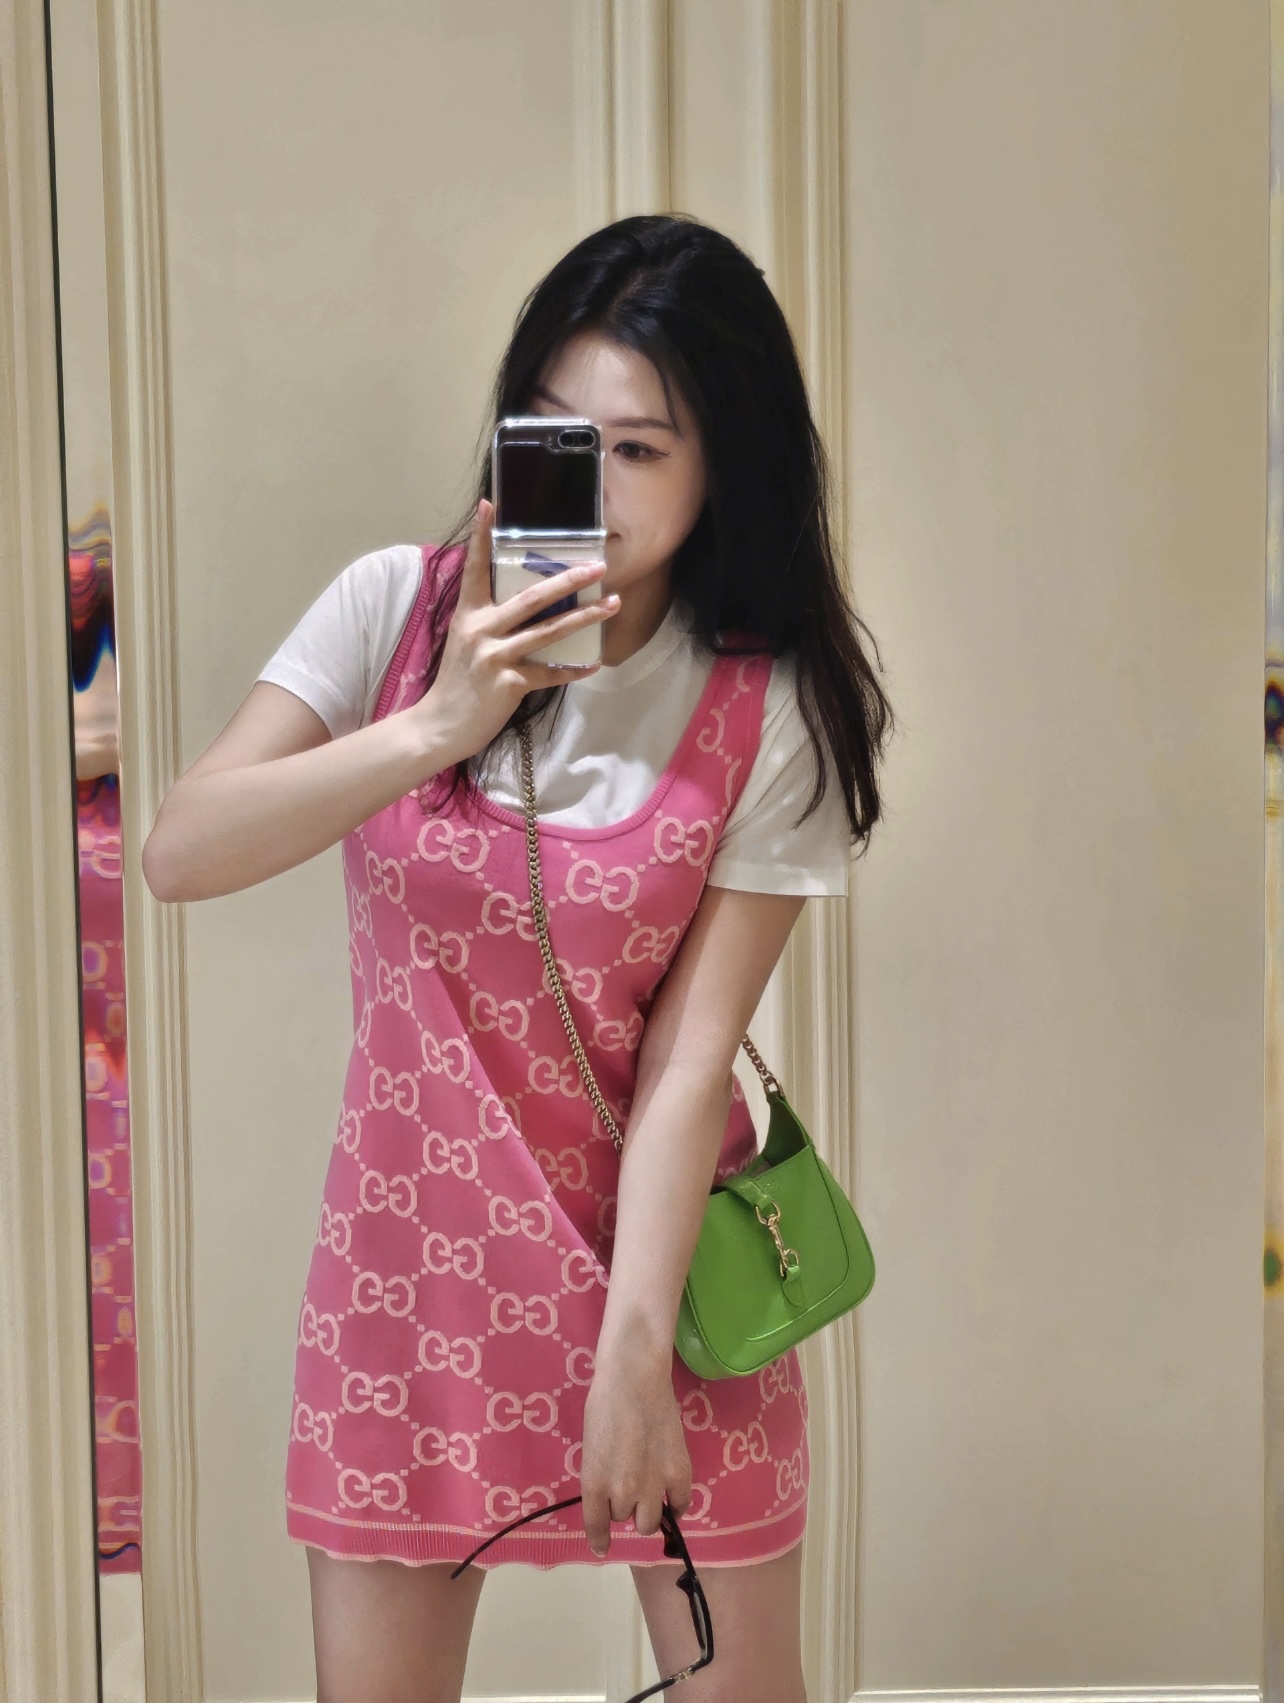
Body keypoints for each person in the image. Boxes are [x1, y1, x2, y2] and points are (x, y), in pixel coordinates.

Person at [143, 214, 892, 1703]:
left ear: (725, 465)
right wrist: (437, 726)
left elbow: (689, 1059)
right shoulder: (394, 611)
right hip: (409, 1291)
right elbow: (181, 851)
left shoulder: (770, 704)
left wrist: (634, 1352)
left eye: (640, 450)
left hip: (668, 1297)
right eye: (555, 437)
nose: (589, 491)